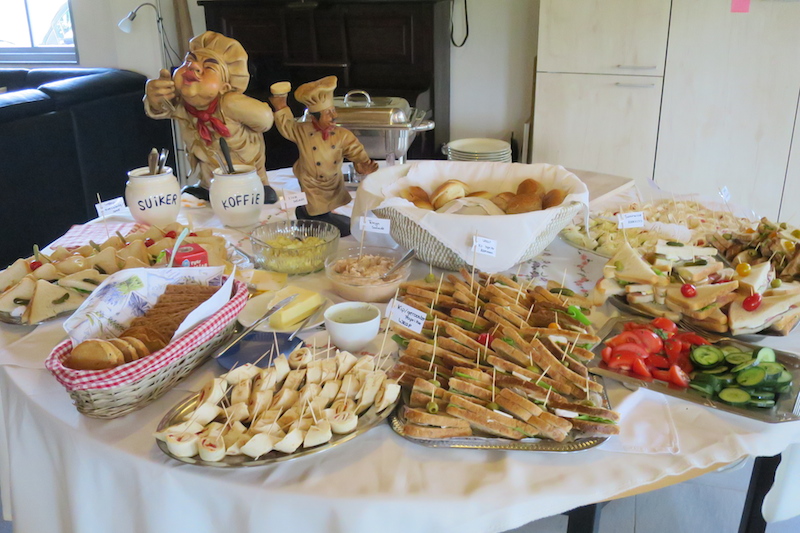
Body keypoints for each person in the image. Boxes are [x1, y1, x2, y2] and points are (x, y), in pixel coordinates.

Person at [144, 31, 277, 203]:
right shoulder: (184, 103)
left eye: (209, 67)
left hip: (247, 179)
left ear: (225, 87)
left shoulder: (229, 103)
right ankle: (207, 187)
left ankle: (259, 187)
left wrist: (235, 103)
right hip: (211, 179)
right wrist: (154, 98)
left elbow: (265, 120)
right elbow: (160, 109)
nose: (193, 66)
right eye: (188, 61)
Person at [269, 76, 379, 236]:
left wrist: (361, 164)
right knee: (315, 208)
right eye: (328, 113)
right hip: (310, 182)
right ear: (314, 117)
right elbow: (287, 126)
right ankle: (310, 218)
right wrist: (281, 106)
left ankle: (319, 217)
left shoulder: (342, 135)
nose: (334, 116)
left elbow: (355, 151)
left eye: (333, 110)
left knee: (327, 204)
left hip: (332, 182)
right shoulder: (303, 131)